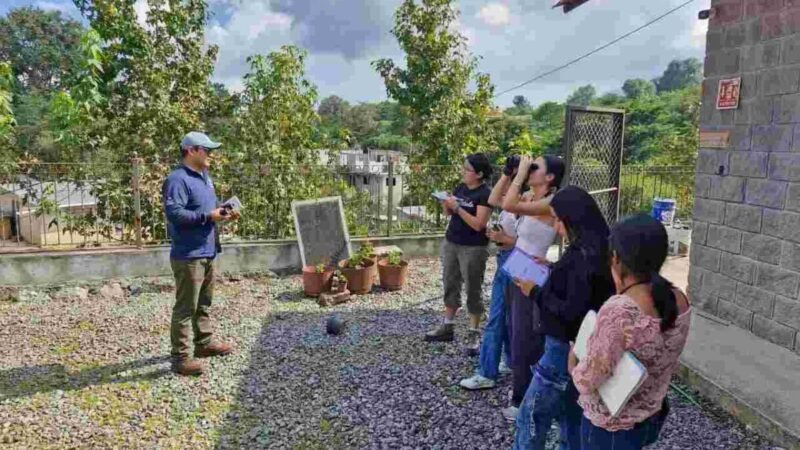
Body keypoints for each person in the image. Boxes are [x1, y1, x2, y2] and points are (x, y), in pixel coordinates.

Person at [570, 214, 692, 450]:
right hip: (651, 413)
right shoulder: (679, 298)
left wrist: (574, 359)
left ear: (616, 257)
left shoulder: (620, 309)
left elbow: (587, 381)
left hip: (612, 427)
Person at [512, 186, 615, 450]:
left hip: (563, 347)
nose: (557, 227)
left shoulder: (582, 256)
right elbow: (580, 291)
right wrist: (553, 268)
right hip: (582, 346)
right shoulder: (599, 247)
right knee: (571, 417)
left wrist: (534, 291)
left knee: (531, 415)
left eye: (558, 220)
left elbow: (570, 310)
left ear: (573, 219)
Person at [162, 131, 239, 376]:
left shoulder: (205, 177)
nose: (211, 155)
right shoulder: (177, 180)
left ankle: (204, 344)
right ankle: (180, 358)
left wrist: (223, 213)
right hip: (189, 254)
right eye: (207, 150)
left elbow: (207, 211)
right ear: (191, 150)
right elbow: (175, 214)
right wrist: (208, 216)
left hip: (208, 250)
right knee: (186, 307)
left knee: (204, 303)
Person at [496, 155, 564, 422]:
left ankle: (523, 401)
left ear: (550, 177)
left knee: (525, 339)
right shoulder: (530, 198)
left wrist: (522, 172)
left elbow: (507, 204)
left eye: (536, 167)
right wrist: (510, 174)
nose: (530, 170)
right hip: (518, 268)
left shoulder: (550, 202)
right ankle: (524, 394)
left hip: (532, 274)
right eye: (530, 165)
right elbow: (497, 201)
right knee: (515, 333)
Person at [458, 156, 521, 391]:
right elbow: (493, 199)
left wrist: (505, 239)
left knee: (497, 318)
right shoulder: (515, 201)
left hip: (515, 260)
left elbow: (528, 242)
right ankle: (509, 361)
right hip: (507, 258)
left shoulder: (526, 202)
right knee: (506, 316)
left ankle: (487, 372)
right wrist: (507, 172)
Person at [425, 153, 493, 356]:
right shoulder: (461, 188)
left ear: (479, 174)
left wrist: (458, 208)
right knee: (450, 283)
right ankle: (448, 325)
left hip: (473, 248)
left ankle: (474, 332)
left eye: (467, 169)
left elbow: (479, 225)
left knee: (473, 289)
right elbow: (450, 214)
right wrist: (446, 203)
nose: (463, 171)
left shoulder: (485, 194)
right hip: (452, 242)